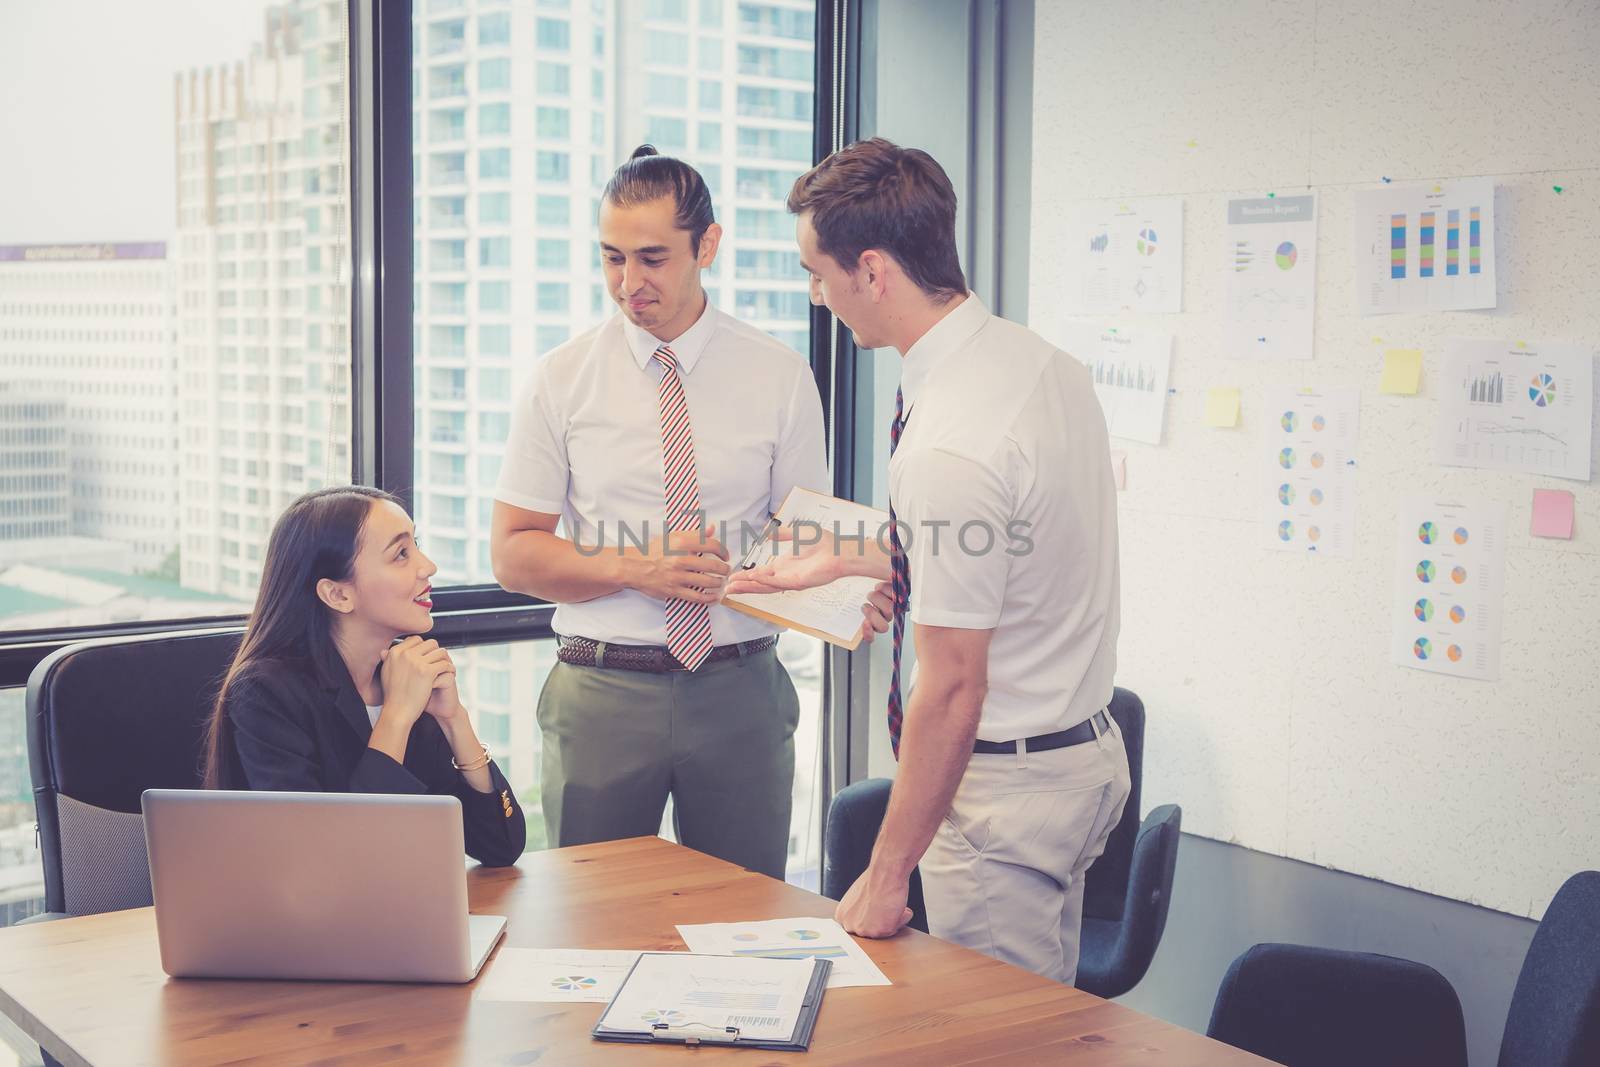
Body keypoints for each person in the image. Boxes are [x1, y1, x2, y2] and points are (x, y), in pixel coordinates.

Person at [730, 137, 1129, 984]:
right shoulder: (1039, 366)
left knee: (997, 1044)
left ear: (871, 272)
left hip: (998, 800)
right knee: (1046, 1023)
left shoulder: (950, 441)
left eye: (817, 272)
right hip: (1075, 760)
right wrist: (844, 557)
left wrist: (885, 874)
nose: (817, 294)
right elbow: (1010, 541)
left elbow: (952, 688)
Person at [491, 145, 886, 880]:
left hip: (741, 692)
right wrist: (637, 570)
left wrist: (853, 593)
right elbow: (514, 554)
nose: (627, 283)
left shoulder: (779, 375)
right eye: (611, 258)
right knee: (588, 924)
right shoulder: (560, 379)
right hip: (601, 693)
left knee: (745, 927)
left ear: (707, 245)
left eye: (652, 258)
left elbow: (809, 544)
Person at [203, 485, 525, 868]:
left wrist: (454, 721)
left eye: (416, 544)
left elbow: (501, 847)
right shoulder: (266, 693)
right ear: (338, 595)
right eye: (401, 554)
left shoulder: (403, 670)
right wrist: (396, 718)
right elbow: (331, 862)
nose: (428, 566)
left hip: (402, 909)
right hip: (305, 922)